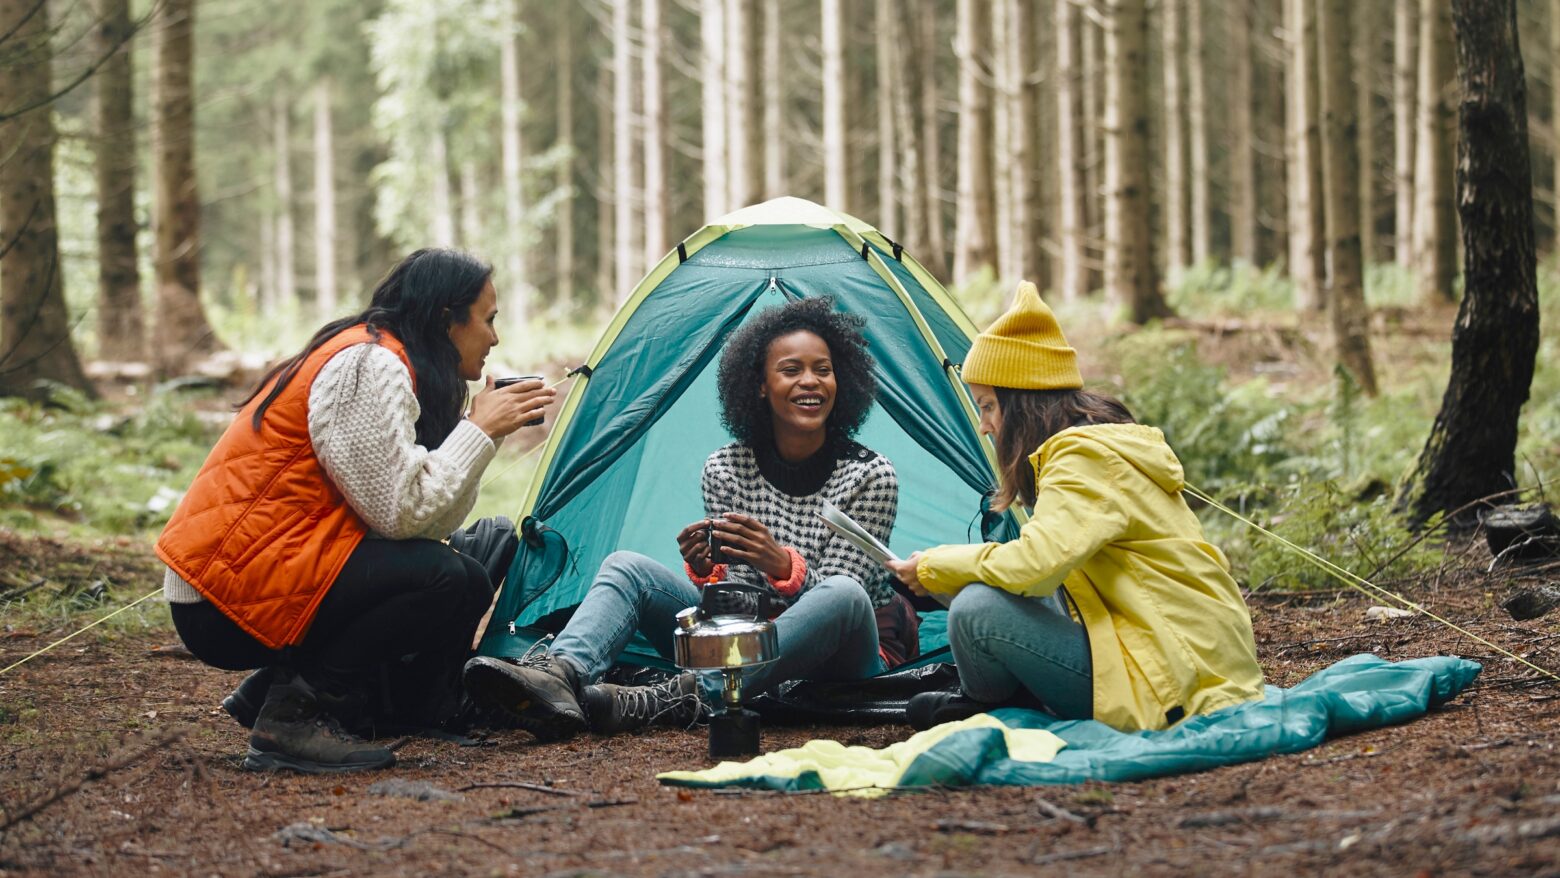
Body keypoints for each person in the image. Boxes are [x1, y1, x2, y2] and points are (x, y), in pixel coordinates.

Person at [156, 249, 555, 773]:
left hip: (265, 569)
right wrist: (477, 431)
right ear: (445, 318)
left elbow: (432, 522)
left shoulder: (390, 359)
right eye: (488, 319)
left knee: (470, 562)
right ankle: (294, 715)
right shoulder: (370, 365)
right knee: (447, 578)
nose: (495, 338)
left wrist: (480, 434)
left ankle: (292, 692)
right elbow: (401, 513)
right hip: (223, 595)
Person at [463, 296, 916, 739]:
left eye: (823, 370)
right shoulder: (726, 468)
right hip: (749, 646)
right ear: (759, 384)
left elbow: (839, 609)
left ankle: (692, 694)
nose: (811, 382)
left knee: (844, 593)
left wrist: (783, 566)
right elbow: (737, 609)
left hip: (843, 658)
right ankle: (561, 675)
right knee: (627, 568)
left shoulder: (870, 475)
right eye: (791, 370)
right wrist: (706, 573)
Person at [885, 281, 1263, 732]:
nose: (984, 427)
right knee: (970, 587)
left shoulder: (1083, 460)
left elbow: (1036, 565)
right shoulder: (1094, 450)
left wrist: (935, 564)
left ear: (1021, 402)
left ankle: (986, 706)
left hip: (1170, 674)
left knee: (975, 609)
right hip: (1169, 651)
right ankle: (995, 700)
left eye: (988, 406)